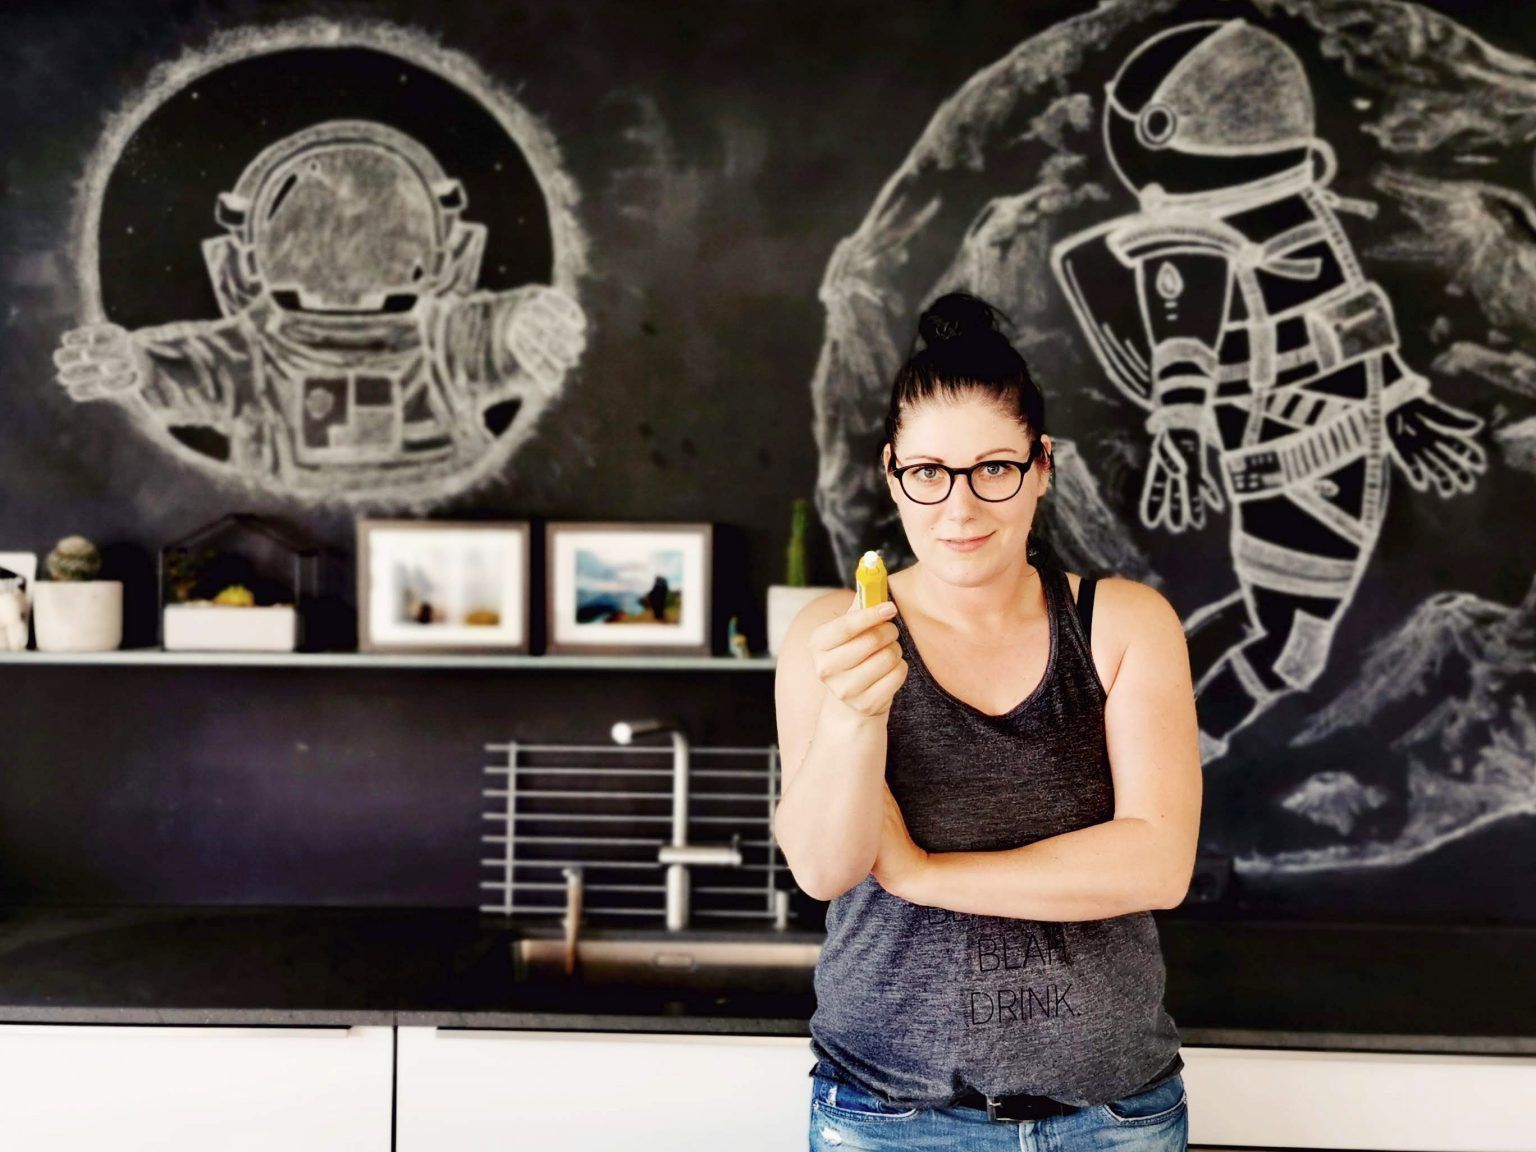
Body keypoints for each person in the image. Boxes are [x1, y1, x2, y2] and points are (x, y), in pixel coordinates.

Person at [773, 292, 1202, 1149]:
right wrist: (857, 714)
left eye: (994, 468)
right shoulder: (836, 634)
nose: (960, 508)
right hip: (889, 1118)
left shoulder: (1123, 624)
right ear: (892, 471)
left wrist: (922, 873)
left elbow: (1157, 864)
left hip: (1112, 1119)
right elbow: (824, 868)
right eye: (929, 472)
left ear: (1042, 466)